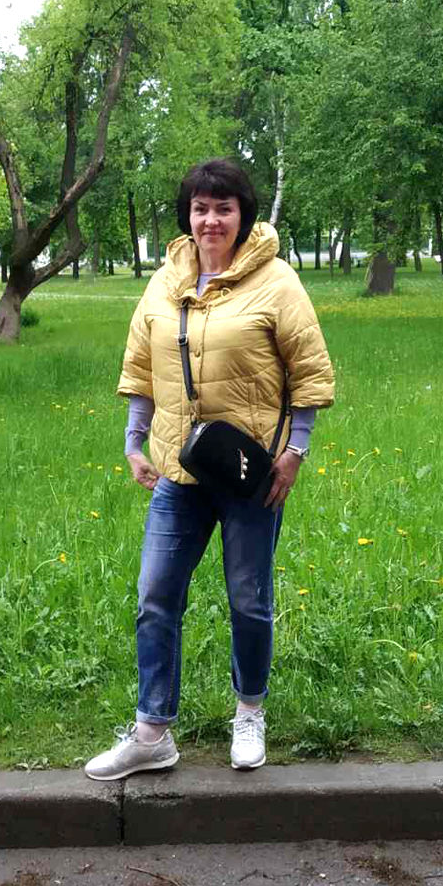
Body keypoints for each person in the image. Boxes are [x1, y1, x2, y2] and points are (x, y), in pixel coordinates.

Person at [84, 158, 334, 781]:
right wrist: (134, 442)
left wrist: (295, 452)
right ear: (187, 216)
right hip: (179, 472)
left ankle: (249, 712)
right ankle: (152, 733)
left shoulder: (276, 281)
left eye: (224, 208)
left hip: (251, 475)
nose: (211, 219)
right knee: (155, 597)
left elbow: (308, 371)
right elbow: (142, 366)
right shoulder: (164, 282)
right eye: (201, 208)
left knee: (249, 600)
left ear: (243, 215)